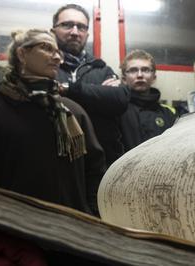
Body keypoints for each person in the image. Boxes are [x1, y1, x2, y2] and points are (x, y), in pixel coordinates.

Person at [0, 29, 106, 216]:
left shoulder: (73, 112)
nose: (57, 58)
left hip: (69, 229)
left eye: (58, 52)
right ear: (22, 54)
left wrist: (89, 214)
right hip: (5, 229)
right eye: (47, 48)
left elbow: (95, 171)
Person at [52, 4, 130, 167]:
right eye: (67, 25)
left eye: (81, 27)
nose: (74, 32)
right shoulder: (45, 65)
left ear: (87, 34)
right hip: (54, 159)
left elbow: (119, 99)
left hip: (101, 162)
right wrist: (97, 95)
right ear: (53, 31)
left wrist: (66, 89)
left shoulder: (101, 68)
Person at [119, 50, 177, 152]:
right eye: (133, 70)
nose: (140, 75)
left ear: (154, 77)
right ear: (124, 79)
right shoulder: (117, 110)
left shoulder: (169, 113)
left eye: (145, 70)